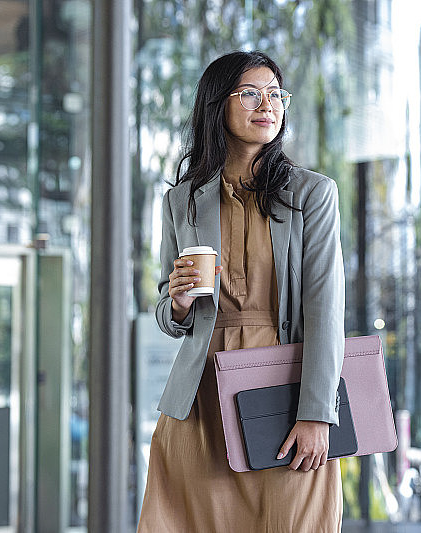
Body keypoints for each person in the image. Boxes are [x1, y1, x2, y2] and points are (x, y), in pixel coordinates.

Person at [137, 50, 345, 532]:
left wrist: (317, 413)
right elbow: (169, 316)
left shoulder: (313, 194)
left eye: (275, 94)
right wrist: (178, 303)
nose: (267, 105)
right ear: (218, 104)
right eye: (250, 94)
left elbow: (325, 309)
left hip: (286, 395)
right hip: (202, 401)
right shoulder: (182, 200)